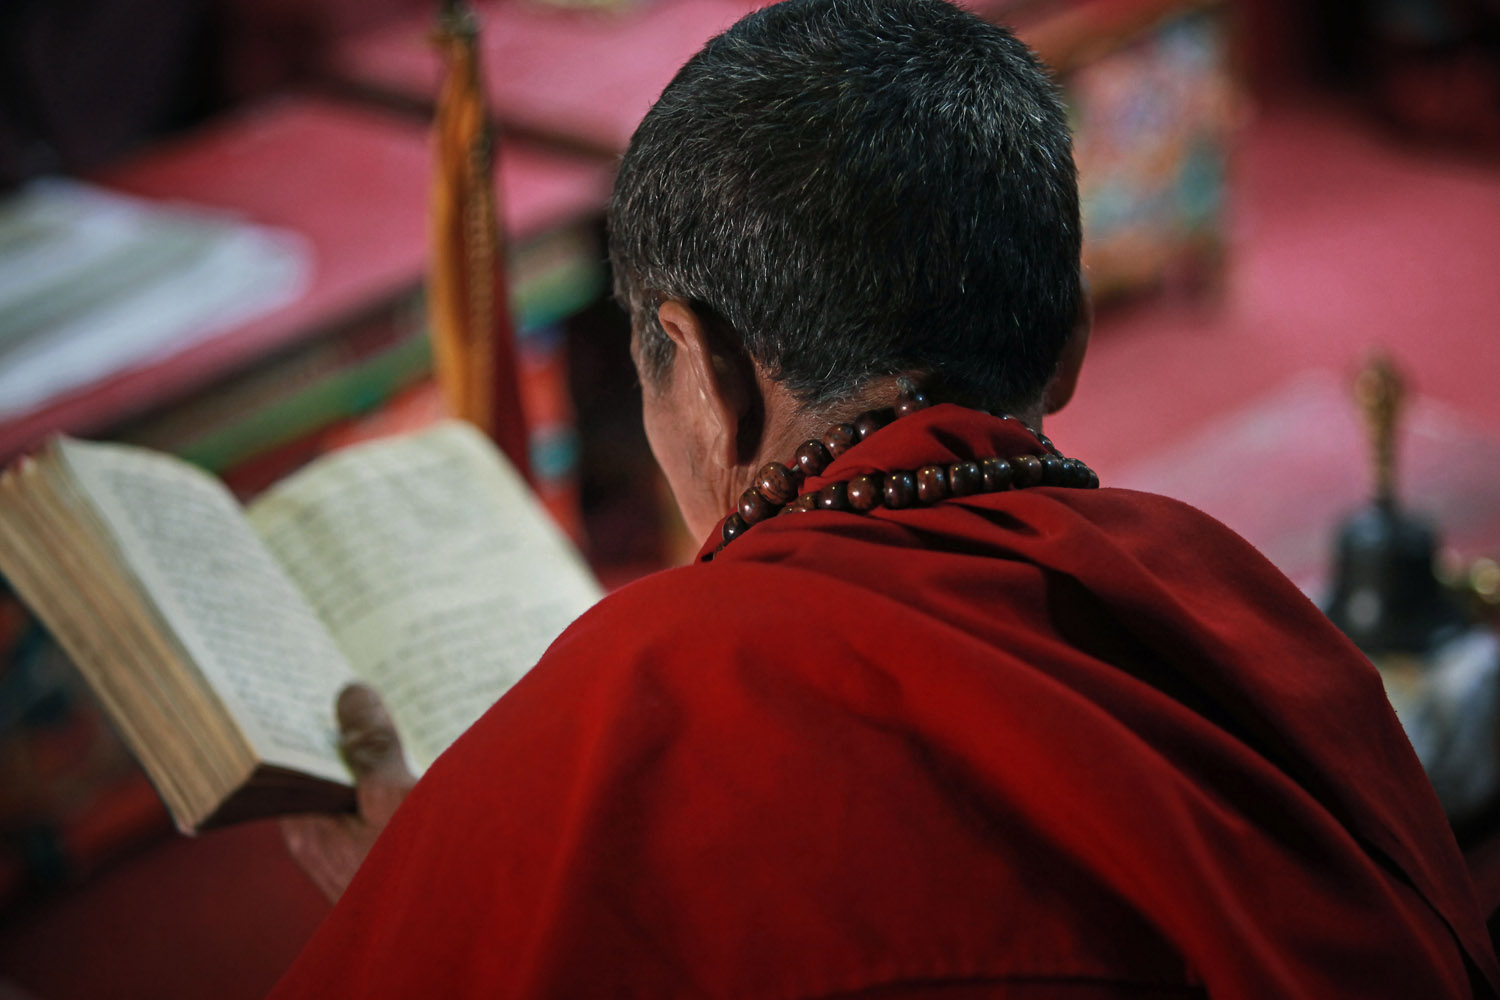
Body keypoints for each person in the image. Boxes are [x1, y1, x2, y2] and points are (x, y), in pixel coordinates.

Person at [272, 0, 1500, 996]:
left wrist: (437, 890)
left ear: (701, 374)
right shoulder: (1226, 589)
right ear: (1066, 343)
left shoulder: (638, 696)